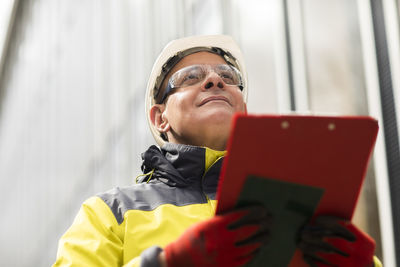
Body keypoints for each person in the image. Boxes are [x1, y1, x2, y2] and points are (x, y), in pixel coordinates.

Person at [53, 35, 381, 267]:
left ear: (244, 111)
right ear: (160, 117)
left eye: (228, 76)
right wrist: (167, 264)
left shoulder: (306, 202)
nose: (215, 81)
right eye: (190, 77)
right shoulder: (109, 213)